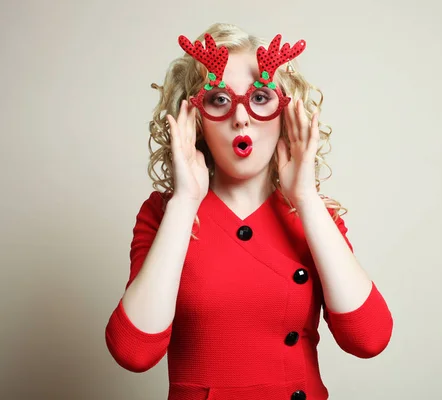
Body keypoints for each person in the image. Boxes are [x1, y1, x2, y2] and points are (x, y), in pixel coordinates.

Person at [105, 22, 393, 400]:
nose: (241, 118)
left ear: (285, 114)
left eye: (260, 97)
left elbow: (369, 339)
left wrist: (305, 198)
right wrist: (186, 201)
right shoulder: (164, 214)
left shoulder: (313, 215)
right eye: (219, 99)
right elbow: (134, 351)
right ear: (195, 120)